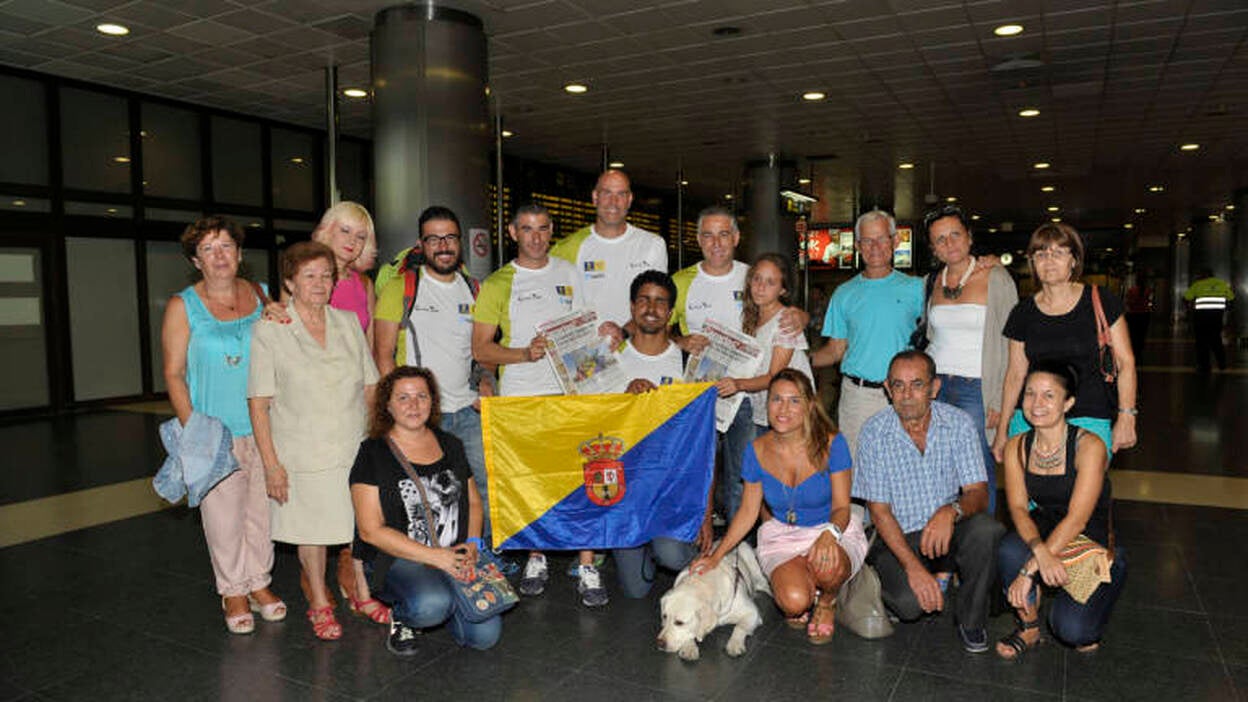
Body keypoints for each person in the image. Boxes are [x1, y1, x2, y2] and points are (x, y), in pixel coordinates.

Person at [471, 203, 608, 607]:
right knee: (532, 486)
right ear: (512, 233)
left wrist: (599, 369)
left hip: (571, 397)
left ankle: (587, 565)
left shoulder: (569, 273)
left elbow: (584, 331)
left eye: (543, 228)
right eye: (527, 229)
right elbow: (481, 350)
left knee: (578, 483)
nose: (535, 236)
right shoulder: (498, 282)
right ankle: (536, 558)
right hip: (521, 399)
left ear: (552, 232)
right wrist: (524, 355)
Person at [248, 241, 379, 640]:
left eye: (326, 275)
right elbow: (258, 403)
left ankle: (361, 591)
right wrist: (271, 463)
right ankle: (320, 601)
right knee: (311, 531)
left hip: (351, 443)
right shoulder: (271, 328)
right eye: (309, 276)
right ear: (290, 282)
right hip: (300, 448)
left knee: (357, 525)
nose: (320, 283)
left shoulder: (347, 322)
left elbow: (370, 386)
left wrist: (373, 439)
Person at [160, 215, 285, 634]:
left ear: (239, 253)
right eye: (208, 249)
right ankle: (233, 589)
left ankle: (259, 583)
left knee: (262, 512)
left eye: (226, 246)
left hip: (263, 425)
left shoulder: (262, 293)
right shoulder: (183, 306)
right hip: (215, 429)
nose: (219, 256)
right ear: (196, 260)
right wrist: (195, 429)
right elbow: (174, 374)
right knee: (223, 517)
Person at [692, 369, 866, 645]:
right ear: (767, 403)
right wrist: (716, 555)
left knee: (827, 566)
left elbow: (843, 507)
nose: (784, 409)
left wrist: (829, 534)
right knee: (794, 602)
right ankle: (806, 585)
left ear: (809, 405)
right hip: (782, 533)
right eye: (776, 400)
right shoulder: (756, 450)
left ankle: (828, 601)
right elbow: (748, 512)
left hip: (831, 528)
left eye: (794, 401)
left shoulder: (833, 443)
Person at [854, 351, 1004, 653]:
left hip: (946, 531)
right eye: (898, 385)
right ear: (887, 387)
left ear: (934, 388)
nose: (907, 395)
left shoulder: (959, 424)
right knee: (910, 606)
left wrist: (952, 510)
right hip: (897, 537)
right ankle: (916, 583)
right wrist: (914, 569)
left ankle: (971, 621)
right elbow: (879, 512)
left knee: (986, 528)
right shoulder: (874, 432)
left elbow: (978, 491)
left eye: (917, 384)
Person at [350, 366, 502, 654]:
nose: (414, 405)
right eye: (403, 398)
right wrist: (436, 558)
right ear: (388, 405)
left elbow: (473, 501)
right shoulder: (372, 453)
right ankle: (404, 615)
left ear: (433, 401)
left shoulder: (451, 444)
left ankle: (448, 598)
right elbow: (370, 531)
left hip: (453, 553)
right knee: (430, 606)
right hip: (398, 557)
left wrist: (472, 543)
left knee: (484, 637)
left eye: (422, 396)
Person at [671, 207, 806, 521]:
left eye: (723, 234)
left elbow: (784, 307)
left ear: (736, 237)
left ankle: (737, 551)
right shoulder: (681, 281)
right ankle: (696, 545)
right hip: (700, 394)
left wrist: (801, 314)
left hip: (746, 399)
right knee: (696, 474)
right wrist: (682, 341)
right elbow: (659, 328)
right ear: (698, 239)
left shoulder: (752, 275)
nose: (716, 242)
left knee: (742, 477)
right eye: (707, 234)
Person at [374, 206, 496, 549]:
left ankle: (481, 560)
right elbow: (382, 354)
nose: (443, 246)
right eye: (434, 238)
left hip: (468, 411)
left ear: (460, 242)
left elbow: (483, 351)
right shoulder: (401, 289)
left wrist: (485, 379)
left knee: (482, 490)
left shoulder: (476, 290)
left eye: (450, 238)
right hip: (423, 417)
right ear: (421, 243)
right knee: (428, 496)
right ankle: (431, 562)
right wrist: (399, 412)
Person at [995, 362, 1125, 659]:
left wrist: (1030, 569)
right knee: (1008, 550)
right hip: (1044, 529)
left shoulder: (1089, 446)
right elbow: (1016, 507)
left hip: (1086, 534)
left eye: (1049, 396)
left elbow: (1078, 518)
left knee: (1073, 632)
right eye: (1029, 394)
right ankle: (1028, 628)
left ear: (1068, 403)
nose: (1036, 404)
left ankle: (1114, 569)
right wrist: (1040, 553)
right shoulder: (1017, 446)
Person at [992, 223, 1138, 464]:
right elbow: (1015, 374)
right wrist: (1002, 430)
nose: (1048, 261)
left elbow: (1126, 362)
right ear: (1032, 262)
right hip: (1032, 416)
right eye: (1040, 254)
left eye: (1058, 253)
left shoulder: (1101, 300)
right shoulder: (1023, 312)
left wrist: (1127, 416)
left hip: (1088, 415)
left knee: (1083, 495)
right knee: (1028, 496)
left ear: (1074, 261)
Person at [609, 269, 710, 598]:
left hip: (673, 492)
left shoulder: (688, 363)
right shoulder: (606, 360)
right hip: (625, 494)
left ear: (670, 313)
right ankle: (644, 547)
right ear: (631, 307)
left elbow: (705, 448)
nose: (651, 308)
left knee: (674, 555)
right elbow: (588, 430)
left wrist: (706, 514)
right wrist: (624, 402)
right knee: (636, 592)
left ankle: (668, 546)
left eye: (660, 302)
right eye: (644, 300)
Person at [920, 205, 1018, 512]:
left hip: (977, 388)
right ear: (933, 248)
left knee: (978, 469)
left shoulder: (996, 277)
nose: (949, 244)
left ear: (969, 237)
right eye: (940, 239)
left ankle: (982, 542)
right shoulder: (932, 281)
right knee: (939, 467)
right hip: (936, 388)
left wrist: (1001, 401)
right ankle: (945, 536)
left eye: (955, 235)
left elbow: (1014, 344)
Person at [810, 210, 924, 458]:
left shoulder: (917, 289)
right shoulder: (844, 293)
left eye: (882, 239)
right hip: (858, 397)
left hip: (906, 396)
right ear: (858, 246)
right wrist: (798, 359)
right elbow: (835, 350)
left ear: (895, 241)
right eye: (868, 240)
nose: (875, 247)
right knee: (858, 475)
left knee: (906, 469)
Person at [550, 168, 667, 336]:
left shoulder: (653, 245)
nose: (614, 202)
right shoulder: (565, 248)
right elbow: (556, 308)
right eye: (607, 193)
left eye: (621, 194)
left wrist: (623, 332)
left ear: (629, 199)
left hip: (636, 350)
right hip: (589, 355)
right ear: (595, 197)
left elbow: (658, 304)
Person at [716, 253, 814, 437]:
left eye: (770, 282)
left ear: (783, 290)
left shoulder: (785, 321)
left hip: (790, 408)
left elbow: (774, 377)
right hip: (766, 405)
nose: (761, 287)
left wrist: (737, 384)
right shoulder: (752, 317)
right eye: (757, 279)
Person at [1183, 268, 1235, 373]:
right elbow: (1231, 299)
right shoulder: (1221, 284)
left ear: (1203, 275)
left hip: (1201, 317)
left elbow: (1186, 298)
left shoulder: (1198, 284)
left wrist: (1189, 309)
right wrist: (1225, 310)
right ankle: (1222, 364)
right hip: (1216, 317)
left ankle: (1204, 366)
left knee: (1201, 342)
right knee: (1216, 340)